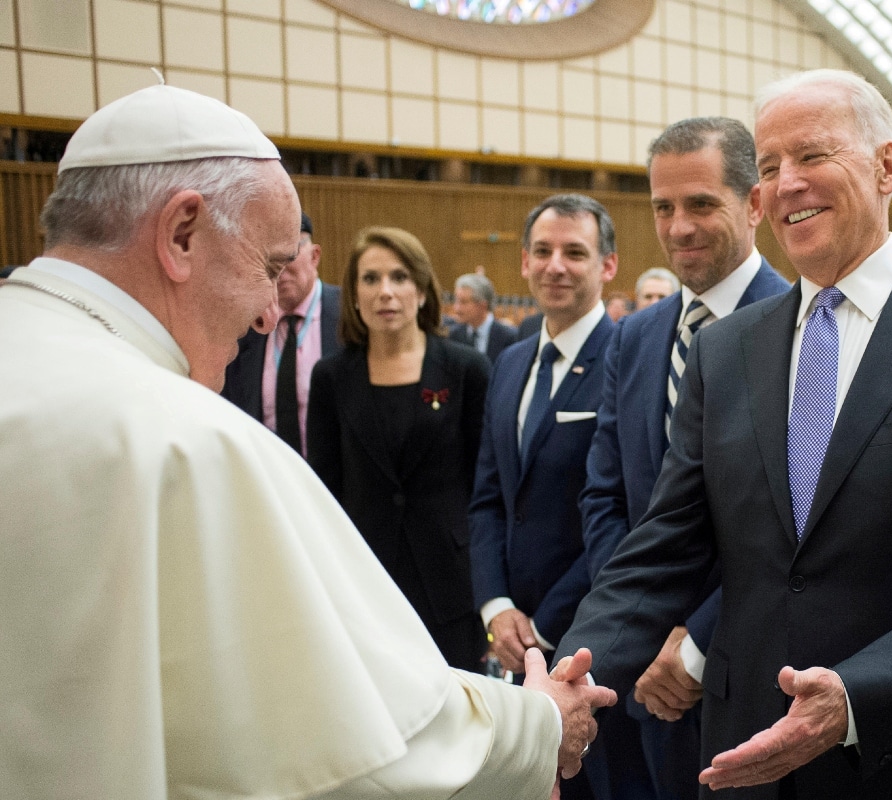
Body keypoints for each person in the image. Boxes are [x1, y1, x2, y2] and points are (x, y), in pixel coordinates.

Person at [0, 84, 615, 799]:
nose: (270, 314)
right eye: (268, 267)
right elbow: (357, 748)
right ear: (180, 235)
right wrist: (538, 727)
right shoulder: (184, 441)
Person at [555, 69, 892, 799]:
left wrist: (853, 697)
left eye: (812, 156)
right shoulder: (725, 352)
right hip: (741, 755)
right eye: (767, 167)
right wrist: (571, 675)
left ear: (887, 167)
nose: (784, 184)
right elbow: (666, 545)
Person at [579, 116, 790, 800]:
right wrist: (643, 627)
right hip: (645, 674)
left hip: (755, 668)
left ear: (754, 203)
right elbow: (606, 497)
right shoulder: (636, 336)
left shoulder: (803, 328)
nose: (678, 228)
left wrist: (696, 638)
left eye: (701, 204)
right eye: (663, 208)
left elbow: (800, 522)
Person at [470, 194, 651, 800]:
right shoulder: (512, 361)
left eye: (575, 252)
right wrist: (496, 607)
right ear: (522, 262)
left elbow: (622, 513)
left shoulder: (629, 361)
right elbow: (491, 497)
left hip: (587, 635)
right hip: (510, 635)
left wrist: (545, 629)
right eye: (543, 252)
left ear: (607, 266)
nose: (556, 266)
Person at [307, 227, 491, 672]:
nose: (385, 292)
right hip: (365, 582)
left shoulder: (466, 370)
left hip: (450, 582)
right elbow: (324, 492)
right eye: (370, 279)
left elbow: (484, 488)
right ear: (353, 294)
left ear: (424, 290)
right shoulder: (331, 378)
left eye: (399, 277)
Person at [221, 210, 341, 456]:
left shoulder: (350, 318)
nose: (280, 269)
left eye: (289, 254)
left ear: (314, 255)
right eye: (268, 258)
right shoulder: (245, 326)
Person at [448, 272, 518, 363]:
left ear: (482, 305)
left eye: (463, 302)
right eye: (456, 301)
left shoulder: (509, 337)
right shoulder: (452, 336)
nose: (456, 308)